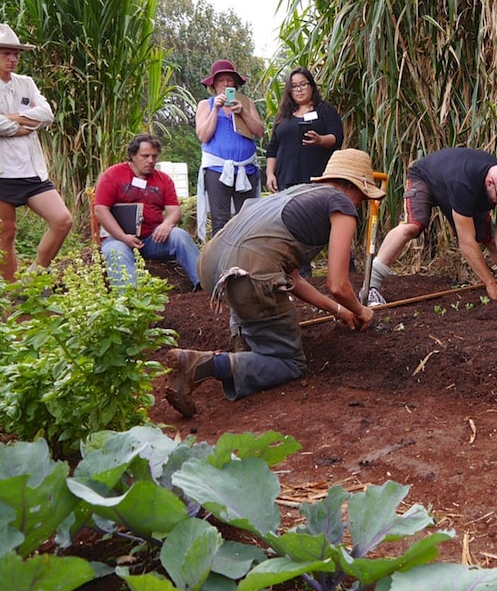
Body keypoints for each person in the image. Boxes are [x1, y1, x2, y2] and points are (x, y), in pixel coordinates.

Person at [164, 148, 384, 418]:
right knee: (288, 362)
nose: (360, 203)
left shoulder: (296, 194)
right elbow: (338, 283)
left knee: (253, 286)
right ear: (352, 187)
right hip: (249, 273)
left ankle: (246, 347)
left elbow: (291, 278)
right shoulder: (341, 205)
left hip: (212, 265)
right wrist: (361, 311)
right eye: (363, 196)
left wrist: (339, 311)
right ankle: (205, 365)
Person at [0, 23, 72, 282]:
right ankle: (9, 295)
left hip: (31, 169)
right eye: (6, 53)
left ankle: (34, 276)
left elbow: (46, 115)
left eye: (16, 54)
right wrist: (22, 126)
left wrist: (7, 119)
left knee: (62, 220)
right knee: (6, 234)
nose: (13, 59)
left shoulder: (26, 83)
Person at [363, 147, 497, 305]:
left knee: (489, 238)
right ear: (490, 182)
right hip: (425, 178)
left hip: (458, 185)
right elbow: (466, 242)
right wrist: (490, 283)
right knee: (412, 226)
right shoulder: (464, 183)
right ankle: (370, 286)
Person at [264, 66, 345, 277]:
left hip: (317, 176)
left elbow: (337, 138)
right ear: (289, 91)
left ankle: (344, 265)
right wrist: (270, 174)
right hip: (287, 177)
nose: (299, 90)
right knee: (292, 222)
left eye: (303, 84)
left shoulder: (324, 110)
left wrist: (320, 140)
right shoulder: (284, 116)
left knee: (327, 219)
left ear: (311, 86)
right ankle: (300, 271)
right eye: (294, 86)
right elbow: (273, 148)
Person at [94, 134, 201, 290]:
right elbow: (100, 209)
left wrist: (167, 224)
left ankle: (206, 283)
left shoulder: (164, 179)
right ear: (132, 155)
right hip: (119, 238)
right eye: (145, 156)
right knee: (115, 251)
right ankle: (130, 299)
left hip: (153, 239)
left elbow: (174, 210)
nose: (150, 160)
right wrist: (123, 237)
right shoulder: (113, 175)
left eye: (154, 156)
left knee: (180, 235)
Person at [194, 59, 266, 240]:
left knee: (247, 218)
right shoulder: (205, 105)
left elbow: (260, 131)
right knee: (220, 219)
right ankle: (220, 264)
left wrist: (243, 112)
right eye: (221, 80)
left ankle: (245, 260)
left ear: (235, 83)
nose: (226, 84)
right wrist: (216, 109)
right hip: (217, 169)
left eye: (229, 80)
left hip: (246, 168)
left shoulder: (246, 103)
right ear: (213, 85)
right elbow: (203, 136)